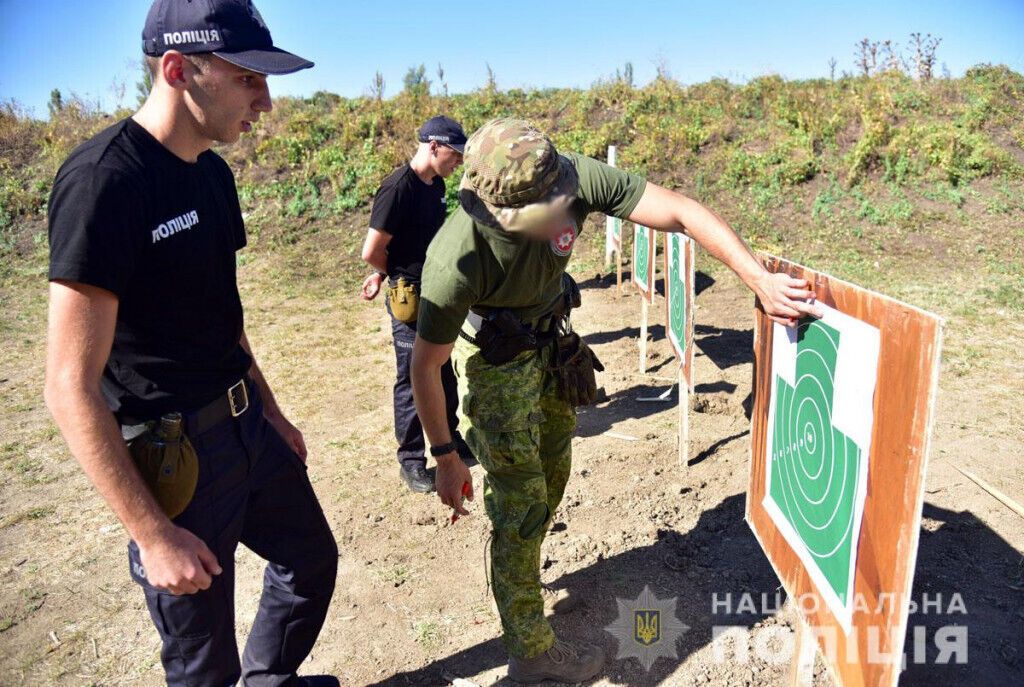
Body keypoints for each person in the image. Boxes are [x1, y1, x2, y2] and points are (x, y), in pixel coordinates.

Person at [410, 118, 823, 683]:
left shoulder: (570, 177)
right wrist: (444, 455)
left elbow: (680, 211)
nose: (554, 220)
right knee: (520, 502)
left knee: (553, 475)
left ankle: (521, 569)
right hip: (495, 363)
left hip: (551, 346)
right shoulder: (455, 256)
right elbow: (425, 366)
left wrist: (759, 279)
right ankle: (530, 650)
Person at [44, 1, 338, 685]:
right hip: (175, 456)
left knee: (310, 560)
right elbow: (68, 385)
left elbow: (222, 315)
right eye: (248, 79)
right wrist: (152, 535)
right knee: (204, 661)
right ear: (178, 70)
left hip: (244, 424)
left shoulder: (212, 171)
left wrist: (270, 410)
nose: (266, 102)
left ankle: (269, 680)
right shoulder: (105, 182)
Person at [360, 116, 475, 493]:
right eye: (454, 154)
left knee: (442, 370)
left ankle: (451, 440)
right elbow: (372, 251)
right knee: (412, 376)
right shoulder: (398, 188)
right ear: (434, 146)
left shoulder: (435, 184)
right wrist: (391, 275)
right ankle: (411, 461)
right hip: (409, 296)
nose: (458, 162)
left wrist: (382, 273)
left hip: (436, 291)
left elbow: (414, 240)